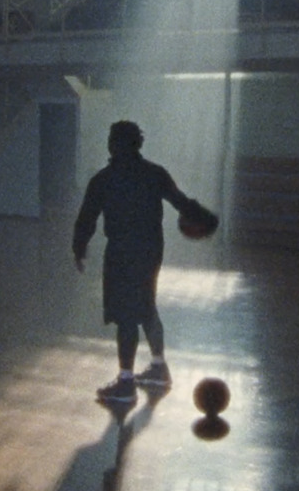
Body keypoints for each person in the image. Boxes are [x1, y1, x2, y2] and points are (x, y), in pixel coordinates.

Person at [73, 120, 216, 404]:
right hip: (151, 250)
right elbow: (181, 201)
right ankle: (159, 368)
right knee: (146, 305)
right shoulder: (155, 174)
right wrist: (206, 219)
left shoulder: (103, 179)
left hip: (122, 252)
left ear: (112, 144)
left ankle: (125, 383)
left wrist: (79, 247)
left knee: (126, 315)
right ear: (139, 143)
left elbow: (87, 217)